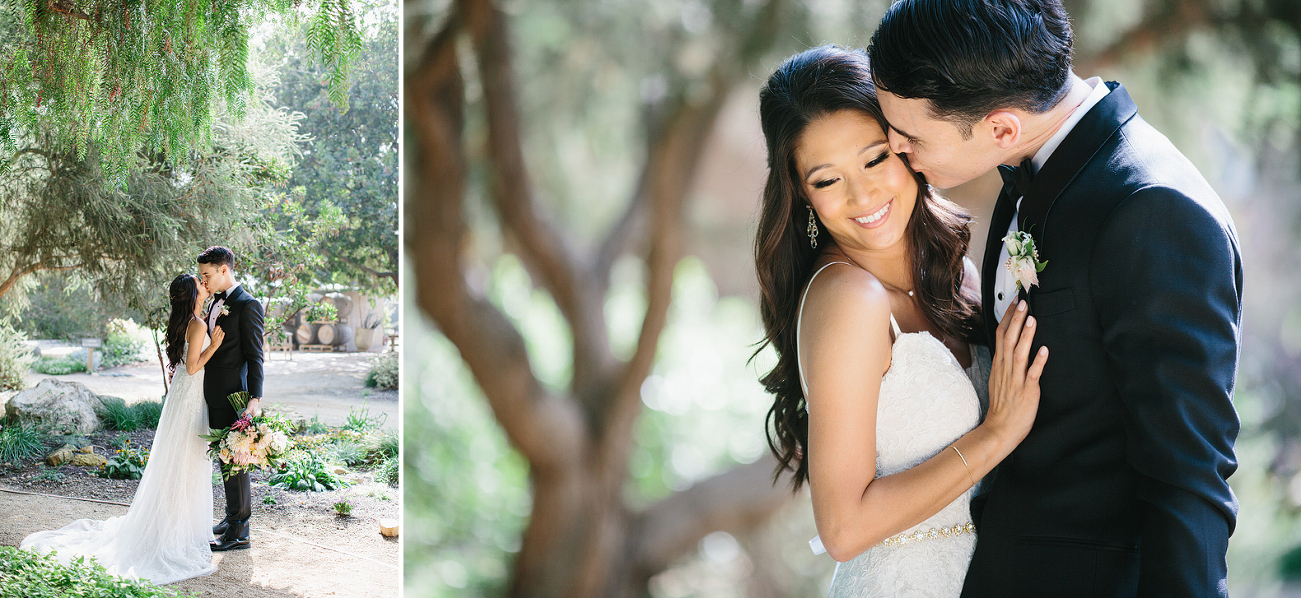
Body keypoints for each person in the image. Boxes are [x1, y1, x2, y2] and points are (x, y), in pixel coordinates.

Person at [867, 1, 1242, 595]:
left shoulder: (1157, 213)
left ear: (1001, 127)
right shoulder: (1032, 168)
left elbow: (1188, 480)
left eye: (909, 135)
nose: (893, 146)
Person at [755, 45, 1048, 597]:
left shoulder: (951, 271)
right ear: (801, 196)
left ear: (905, 146)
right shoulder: (848, 299)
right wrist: (996, 434)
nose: (862, 195)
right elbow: (843, 529)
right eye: (826, 180)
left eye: (873, 159)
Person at [21, 274, 224, 584]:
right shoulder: (196, 324)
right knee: (185, 463)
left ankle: (174, 524)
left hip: (184, 397)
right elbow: (195, 366)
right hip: (189, 399)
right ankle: (173, 531)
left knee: (180, 464)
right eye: (200, 281)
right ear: (192, 293)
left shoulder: (191, 321)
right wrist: (217, 345)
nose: (204, 283)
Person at [196, 245, 265, 552]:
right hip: (214, 391)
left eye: (207, 275)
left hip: (233, 395)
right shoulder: (215, 303)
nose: (204, 281)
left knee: (235, 461)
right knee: (224, 461)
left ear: (224, 270)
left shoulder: (248, 305)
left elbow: (255, 356)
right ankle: (231, 518)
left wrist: (255, 399)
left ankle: (241, 530)